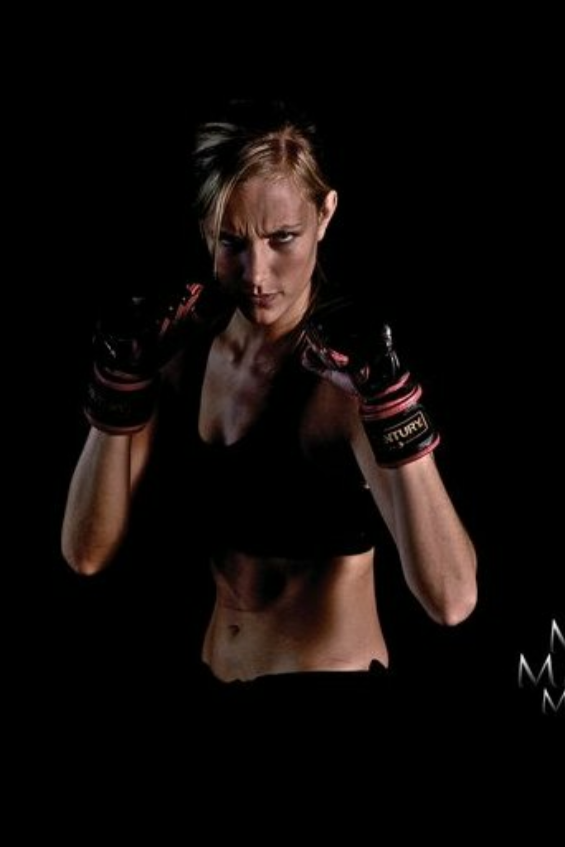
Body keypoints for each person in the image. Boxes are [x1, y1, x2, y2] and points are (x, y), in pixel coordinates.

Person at [61, 98, 477, 737]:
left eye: (283, 238)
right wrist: (121, 384)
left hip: (328, 708)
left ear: (325, 215)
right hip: (209, 684)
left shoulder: (344, 382)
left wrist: (396, 407)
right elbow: (86, 551)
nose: (258, 274)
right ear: (207, 229)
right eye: (232, 243)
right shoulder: (185, 349)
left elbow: (451, 600)